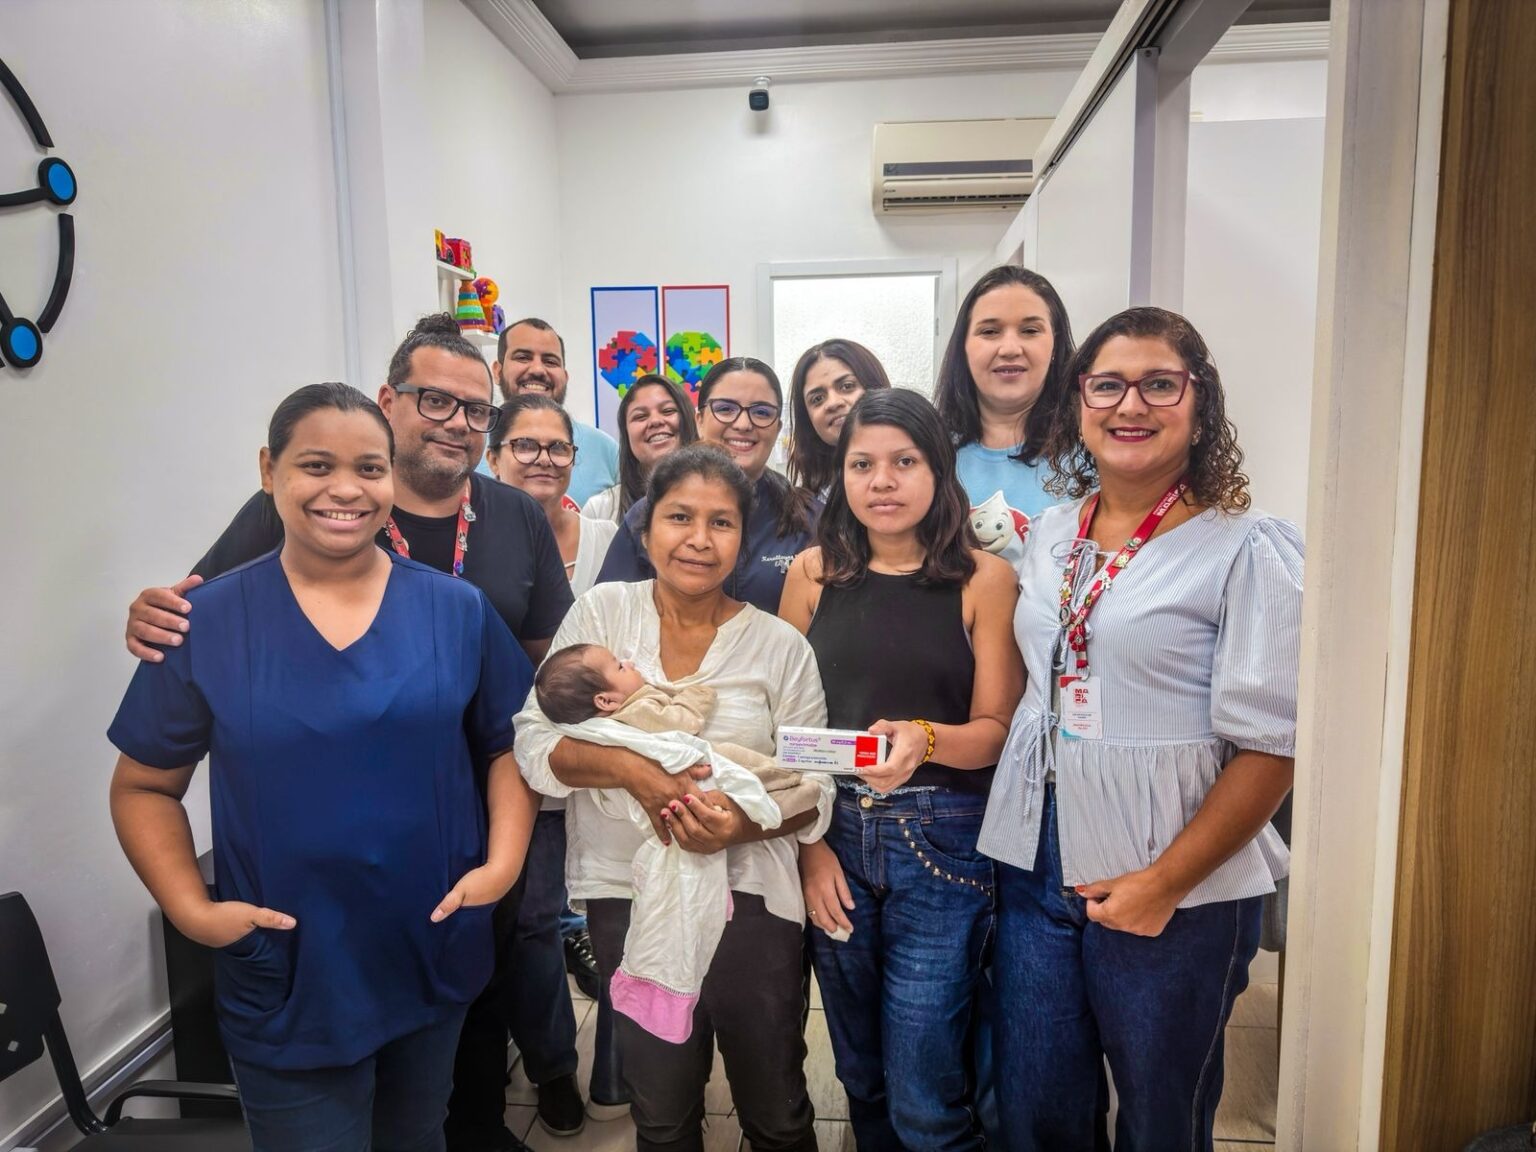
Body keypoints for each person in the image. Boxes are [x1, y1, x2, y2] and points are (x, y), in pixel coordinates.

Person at [122, 314, 574, 1152]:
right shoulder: (212, 620)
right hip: (292, 966)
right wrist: (191, 908)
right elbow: (145, 782)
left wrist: (502, 864)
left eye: (367, 469)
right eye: (316, 466)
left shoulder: (454, 607)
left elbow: (509, 737)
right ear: (269, 471)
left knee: (422, 1132)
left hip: (427, 941)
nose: (346, 488)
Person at [981, 307, 1301, 1152]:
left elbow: (1274, 749)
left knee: (1162, 1115)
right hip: (1035, 856)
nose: (1132, 404)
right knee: (1040, 1104)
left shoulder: (1246, 547)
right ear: (1079, 403)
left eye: (1160, 383)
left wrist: (1163, 883)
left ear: (1201, 404)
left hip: (1171, 870)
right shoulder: (1051, 537)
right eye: (1108, 384)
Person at [514, 443, 834, 1152]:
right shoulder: (603, 617)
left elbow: (817, 791)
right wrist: (638, 774)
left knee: (776, 1107)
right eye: (679, 516)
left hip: (753, 901)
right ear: (645, 527)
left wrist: (736, 829)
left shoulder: (780, 648)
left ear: (743, 539)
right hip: (625, 898)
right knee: (660, 1111)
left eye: (721, 522)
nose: (698, 538)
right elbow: (536, 750)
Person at [779, 389, 1023, 1151]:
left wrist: (924, 738)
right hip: (832, 833)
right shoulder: (813, 572)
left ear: (937, 470)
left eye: (903, 462)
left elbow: (995, 732)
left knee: (925, 1088)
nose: (882, 481)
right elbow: (782, 734)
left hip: (942, 846)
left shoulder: (984, 579)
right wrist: (810, 847)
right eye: (862, 464)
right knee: (860, 1072)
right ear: (840, 474)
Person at [483, 392, 624, 1134]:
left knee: (546, 917)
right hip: (499, 754)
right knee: (519, 919)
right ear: (494, 453)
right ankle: (544, 1062)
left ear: (577, 457)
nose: (541, 459)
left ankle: (555, 1070)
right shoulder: (471, 535)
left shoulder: (610, 537)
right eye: (524, 446)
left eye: (556, 447)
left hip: (593, 754)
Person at [597, 357, 816, 613]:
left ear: (778, 428)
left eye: (761, 412)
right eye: (725, 408)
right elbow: (607, 616)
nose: (744, 424)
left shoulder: (810, 519)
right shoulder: (648, 514)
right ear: (699, 420)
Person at [933, 265, 1075, 566]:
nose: (1010, 348)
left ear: (1054, 344)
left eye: (1030, 331)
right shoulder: (929, 453)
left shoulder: (1093, 456)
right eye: (989, 331)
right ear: (964, 347)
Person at [492, 317, 619, 507]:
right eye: (523, 357)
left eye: (550, 361)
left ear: (565, 376)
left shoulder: (606, 449)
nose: (537, 369)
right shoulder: (471, 446)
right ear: (497, 371)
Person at [583, 373, 699, 524]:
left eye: (668, 411)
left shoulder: (721, 496)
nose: (655, 421)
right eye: (640, 417)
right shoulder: (599, 510)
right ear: (626, 434)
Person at [785, 338, 892, 498]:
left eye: (847, 386)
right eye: (817, 399)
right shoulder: (806, 510)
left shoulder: (920, 471)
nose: (833, 403)